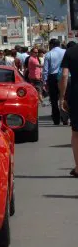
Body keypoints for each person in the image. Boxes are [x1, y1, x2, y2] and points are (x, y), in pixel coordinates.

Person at [59, 42, 78, 177]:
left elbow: (65, 75)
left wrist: (62, 97)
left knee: (76, 133)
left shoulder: (70, 52)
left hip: (76, 95)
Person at [43, 39, 67, 125]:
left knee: (54, 100)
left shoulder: (49, 54)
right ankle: (65, 118)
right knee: (64, 97)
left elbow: (45, 70)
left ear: (51, 45)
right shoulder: (65, 52)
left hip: (52, 77)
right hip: (64, 75)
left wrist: (45, 81)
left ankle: (56, 120)